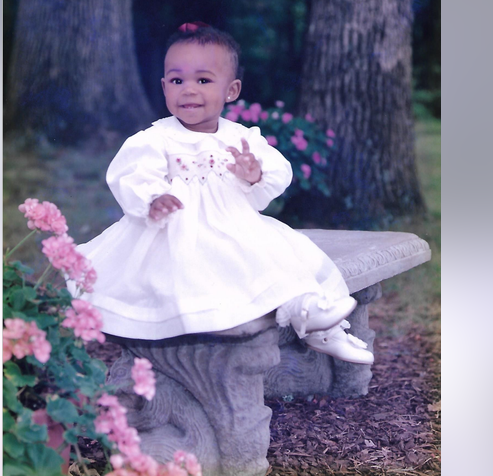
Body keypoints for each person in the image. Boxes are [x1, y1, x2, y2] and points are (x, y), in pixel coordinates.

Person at [76, 22, 373, 364]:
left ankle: (320, 325)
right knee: (222, 267)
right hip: (177, 233)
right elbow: (132, 174)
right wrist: (153, 198)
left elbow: (277, 170)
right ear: (164, 87)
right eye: (177, 81)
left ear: (231, 91)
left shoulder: (240, 137)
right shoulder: (155, 139)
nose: (188, 90)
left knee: (281, 256)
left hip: (234, 225)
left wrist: (254, 173)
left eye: (203, 80)